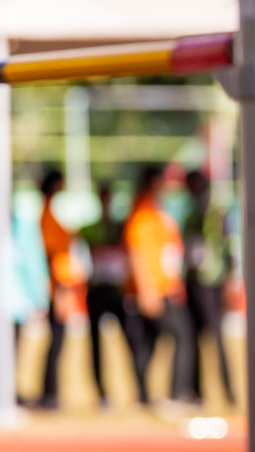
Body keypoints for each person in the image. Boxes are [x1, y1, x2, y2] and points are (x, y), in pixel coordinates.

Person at [123, 165, 195, 407]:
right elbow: (138, 253)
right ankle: (175, 394)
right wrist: (147, 291)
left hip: (166, 287)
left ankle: (147, 396)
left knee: (151, 343)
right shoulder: (143, 213)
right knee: (179, 337)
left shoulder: (156, 210)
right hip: (156, 289)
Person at [183, 169, 236, 406]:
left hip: (212, 284)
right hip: (194, 283)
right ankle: (196, 392)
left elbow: (229, 251)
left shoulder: (217, 216)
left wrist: (228, 284)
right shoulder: (190, 217)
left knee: (216, 338)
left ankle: (228, 391)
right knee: (194, 338)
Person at [36, 171, 85, 410]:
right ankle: (50, 393)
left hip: (60, 286)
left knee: (58, 342)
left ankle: (52, 391)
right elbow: (51, 256)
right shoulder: (46, 216)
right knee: (56, 342)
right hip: (58, 288)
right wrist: (60, 292)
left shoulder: (50, 214)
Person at [80, 182, 130, 408]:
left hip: (115, 288)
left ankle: (139, 389)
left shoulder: (121, 226)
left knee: (132, 336)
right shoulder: (91, 227)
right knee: (95, 343)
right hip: (98, 286)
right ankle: (101, 392)